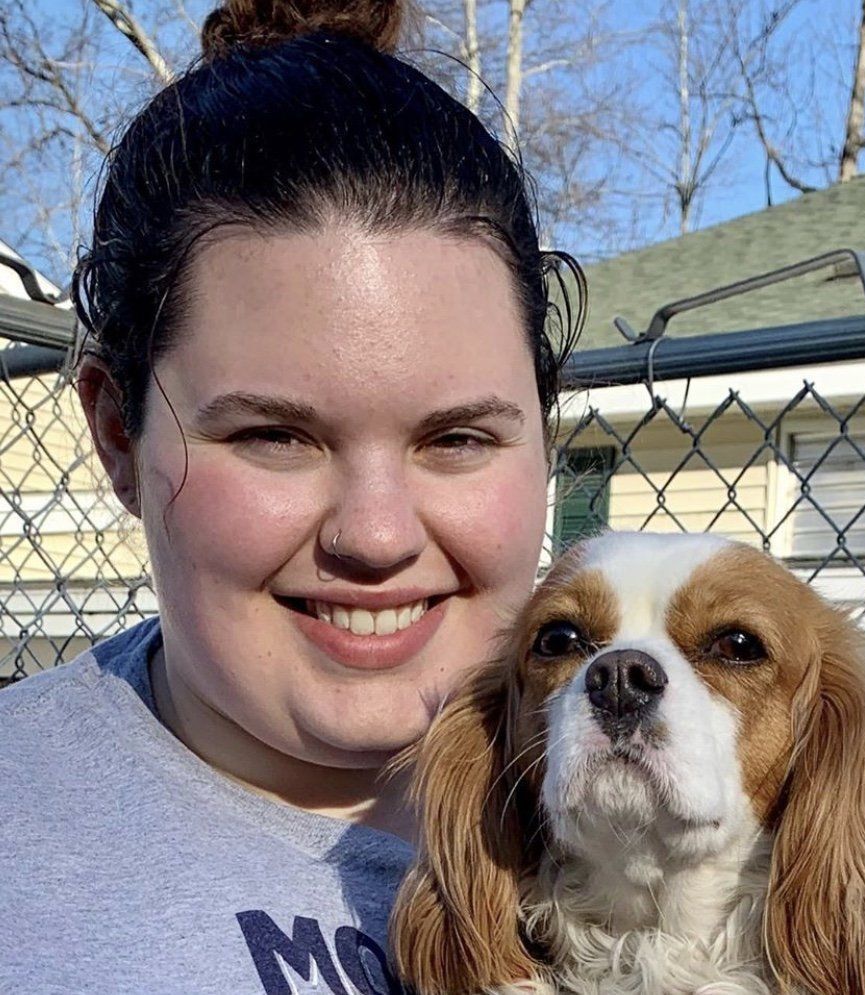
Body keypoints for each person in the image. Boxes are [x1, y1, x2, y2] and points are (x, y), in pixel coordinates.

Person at [0, 2, 582, 992]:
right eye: (275, 435)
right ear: (116, 432)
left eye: (456, 438)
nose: (377, 534)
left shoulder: (797, 839)